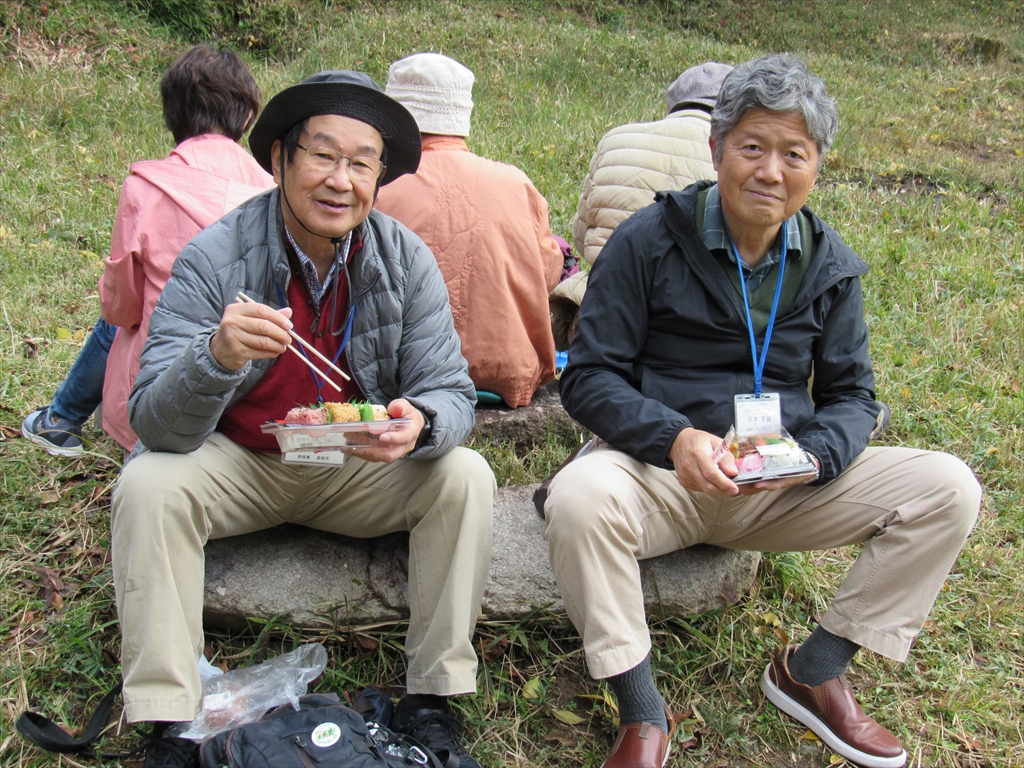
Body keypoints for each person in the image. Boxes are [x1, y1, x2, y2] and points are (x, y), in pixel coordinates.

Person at [543, 54, 981, 768]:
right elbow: (589, 377)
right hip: (662, 476)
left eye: (793, 154)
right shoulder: (647, 241)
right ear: (716, 148)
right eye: (752, 147)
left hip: (778, 487)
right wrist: (674, 438)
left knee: (948, 488)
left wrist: (812, 457)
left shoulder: (829, 263)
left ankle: (813, 672)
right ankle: (642, 712)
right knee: (578, 499)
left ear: (817, 167)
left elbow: (853, 397)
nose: (770, 171)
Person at [110, 69, 495, 768]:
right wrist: (216, 356)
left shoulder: (403, 258)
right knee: (148, 484)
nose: (340, 180)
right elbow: (154, 422)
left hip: (351, 464)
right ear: (280, 159)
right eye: (322, 155)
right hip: (240, 464)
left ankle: (432, 697)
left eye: (361, 164)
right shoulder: (216, 255)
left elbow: (450, 391)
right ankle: (170, 719)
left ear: (379, 178)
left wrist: (420, 421)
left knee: (462, 475)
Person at [21, 44, 273, 455]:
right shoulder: (272, 190)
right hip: (254, 384)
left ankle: (61, 419)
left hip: (162, 387)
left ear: (171, 113)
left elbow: (120, 308)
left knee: (127, 317)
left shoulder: (146, 186)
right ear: (246, 117)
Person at [375, 52, 563, 407]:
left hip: (405, 377)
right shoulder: (516, 183)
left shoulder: (378, 188)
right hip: (507, 374)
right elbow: (548, 273)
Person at [549, 62, 732, 351]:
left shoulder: (617, 138)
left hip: (600, 318)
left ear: (673, 102)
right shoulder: (735, 156)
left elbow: (582, 239)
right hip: (689, 330)